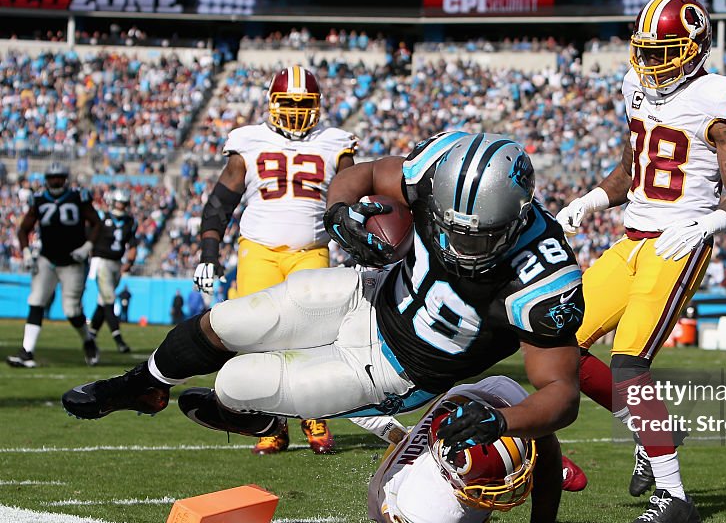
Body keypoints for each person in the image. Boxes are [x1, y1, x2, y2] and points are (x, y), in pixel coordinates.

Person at [63, 132, 583, 473]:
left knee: (237, 383)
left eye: (477, 237)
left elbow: (561, 391)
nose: (458, 245)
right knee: (229, 321)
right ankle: (143, 386)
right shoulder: (433, 173)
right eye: (450, 228)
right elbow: (365, 176)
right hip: (368, 294)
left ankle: (261, 418)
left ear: (517, 219)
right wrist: (339, 213)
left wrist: (502, 422)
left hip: (392, 368)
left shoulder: (545, 278)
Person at [555, 0, 726, 523]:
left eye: (666, 50)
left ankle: (674, 496)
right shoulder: (635, 88)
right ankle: (652, 434)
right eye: (647, 50)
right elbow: (632, 168)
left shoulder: (722, 98)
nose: (653, 62)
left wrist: (708, 222)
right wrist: (591, 200)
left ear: (695, 49)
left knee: (629, 364)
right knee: (558, 347)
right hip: (630, 241)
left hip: (677, 243)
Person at [192, 66, 365, 455]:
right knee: (259, 341)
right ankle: (272, 425)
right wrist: (208, 252)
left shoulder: (335, 142)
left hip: (312, 250)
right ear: (272, 103)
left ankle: (314, 416)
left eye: (304, 104)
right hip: (259, 250)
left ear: (318, 107)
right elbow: (220, 203)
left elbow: (352, 200)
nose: (296, 111)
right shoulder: (248, 141)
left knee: (316, 340)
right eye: (288, 103)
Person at [369, 376, 561, 523]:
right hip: (401, 498)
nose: (508, 487)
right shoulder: (428, 508)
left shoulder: (497, 393)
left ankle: (514, 461)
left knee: (534, 433)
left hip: (444, 454)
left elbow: (546, 441)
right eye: (495, 482)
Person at [7, 162, 101, 368]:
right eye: (52, 178)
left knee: (71, 310)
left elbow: (96, 223)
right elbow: (23, 229)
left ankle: (88, 341)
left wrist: (87, 246)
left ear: (65, 178)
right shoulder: (39, 200)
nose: (56, 181)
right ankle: (27, 352)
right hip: (47, 259)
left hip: (73, 261)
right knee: (36, 300)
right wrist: (25, 251)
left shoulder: (78, 196)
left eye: (59, 177)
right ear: (47, 180)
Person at [88, 189, 137, 354]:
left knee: (103, 303)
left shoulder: (129, 221)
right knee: (109, 299)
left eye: (123, 203)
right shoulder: (102, 217)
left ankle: (91, 337)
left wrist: (129, 262)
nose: (121, 206)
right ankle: (119, 340)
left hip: (117, 263)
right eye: (118, 203)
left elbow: (133, 245)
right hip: (101, 262)